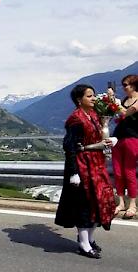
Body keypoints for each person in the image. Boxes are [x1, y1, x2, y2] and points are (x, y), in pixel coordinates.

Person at [55, 84, 117, 259]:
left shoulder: (95, 116)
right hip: (83, 164)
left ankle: (90, 238)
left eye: (94, 95)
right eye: (89, 96)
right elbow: (70, 146)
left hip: (96, 163)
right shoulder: (76, 119)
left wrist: (110, 140)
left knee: (99, 200)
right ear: (79, 99)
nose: (93, 98)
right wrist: (74, 172)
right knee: (85, 202)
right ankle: (83, 243)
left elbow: (98, 137)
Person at [112, 74, 138, 219]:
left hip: (132, 138)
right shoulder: (124, 100)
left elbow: (126, 112)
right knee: (118, 172)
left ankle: (132, 204)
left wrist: (114, 101)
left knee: (129, 172)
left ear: (134, 85)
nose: (124, 87)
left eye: (126, 85)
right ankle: (121, 202)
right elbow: (120, 116)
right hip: (118, 138)